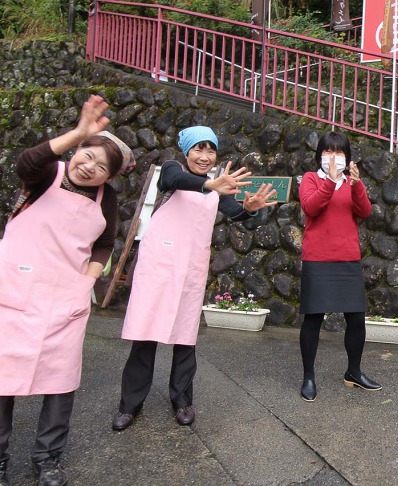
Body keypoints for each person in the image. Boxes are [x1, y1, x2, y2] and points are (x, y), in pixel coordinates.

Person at [0, 95, 133, 486]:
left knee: (60, 381)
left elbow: (105, 243)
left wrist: (87, 281)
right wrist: (78, 131)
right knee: (2, 377)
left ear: (108, 177)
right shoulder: (46, 174)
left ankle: (48, 460)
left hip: (66, 298)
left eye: (100, 167)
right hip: (14, 290)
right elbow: (27, 161)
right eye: (86, 155)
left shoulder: (105, 198)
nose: (88, 167)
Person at [112, 126, 277, 431]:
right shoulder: (174, 168)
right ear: (186, 152)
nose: (204, 156)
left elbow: (233, 210)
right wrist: (209, 183)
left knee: (185, 336)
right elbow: (172, 181)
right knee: (146, 334)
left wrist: (249, 210)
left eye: (210, 150)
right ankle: (129, 405)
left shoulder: (217, 187)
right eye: (198, 150)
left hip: (190, 268)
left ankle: (182, 401)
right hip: (159, 264)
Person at [298, 131, 380, 402]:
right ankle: (308, 376)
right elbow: (311, 208)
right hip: (317, 259)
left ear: (348, 157)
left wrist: (356, 185)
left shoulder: (352, 182)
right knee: (313, 319)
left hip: (347, 259)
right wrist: (330, 183)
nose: (334, 157)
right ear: (319, 154)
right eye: (329, 151)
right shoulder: (311, 179)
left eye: (340, 152)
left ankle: (353, 373)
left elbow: (364, 211)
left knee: (356, 319)